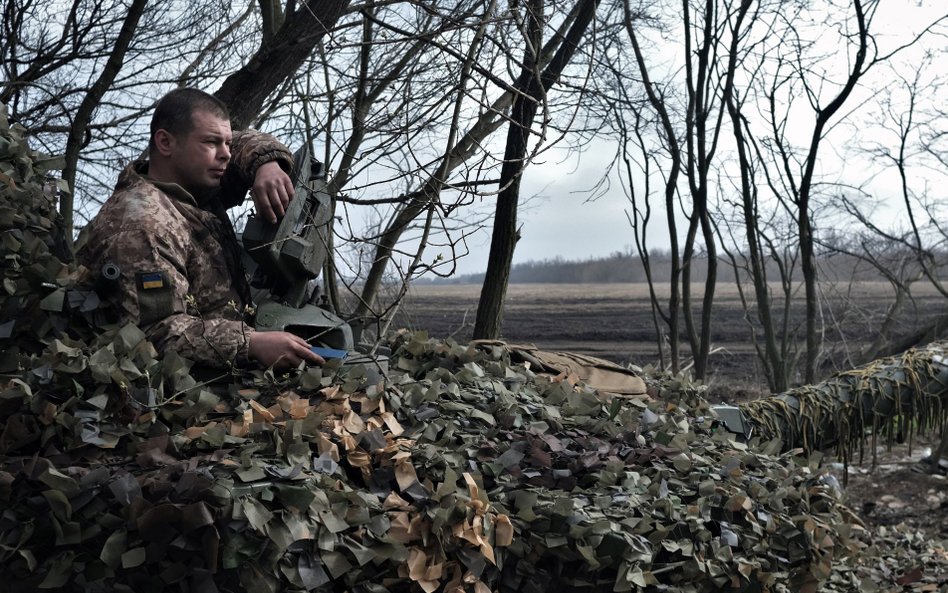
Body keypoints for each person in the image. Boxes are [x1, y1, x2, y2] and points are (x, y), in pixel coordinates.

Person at [77, 88, 324, 370]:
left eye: (227, 144)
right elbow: (154, 334)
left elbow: (244, 141)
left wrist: (266, 164)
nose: (226, 155)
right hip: (175, 393)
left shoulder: (192, 186)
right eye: (211, 143)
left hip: (221, 360)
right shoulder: (141, 225)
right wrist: (251, 343)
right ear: (165, 143)